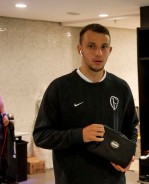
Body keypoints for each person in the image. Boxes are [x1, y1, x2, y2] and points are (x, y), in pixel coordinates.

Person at [33, 23, 139, 184]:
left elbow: (131, 127)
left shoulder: (121, 87)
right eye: (91, 46)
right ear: (79, 48)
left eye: (104, 47)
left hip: (113, 180)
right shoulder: (60, 88)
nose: (98, 53)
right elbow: (41, 136)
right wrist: (80, 135)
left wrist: (127, 155)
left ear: (110, 50)